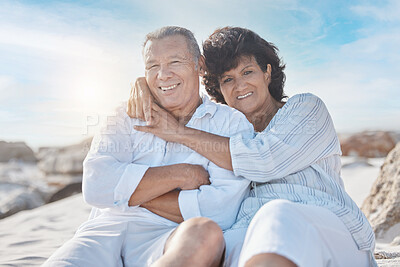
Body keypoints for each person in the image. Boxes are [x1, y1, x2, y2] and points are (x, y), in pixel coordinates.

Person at [129, 27, 377, 267]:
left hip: (327, 229)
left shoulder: (306, 109)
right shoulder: (218, 130)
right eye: (228, 79)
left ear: (267, 73)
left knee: (277, 215)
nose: (239, 86)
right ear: (220, 90)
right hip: (246, 233)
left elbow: (264, 159)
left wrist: (178, 133)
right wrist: (144, 84)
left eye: (247, 72)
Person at [43, 26, 254, 267]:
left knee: (205, 232)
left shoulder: (230, 122)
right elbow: (95, 186)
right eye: (153, 66)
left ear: (200, 65)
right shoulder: (124, 115)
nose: (163, 75)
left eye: (175, 61)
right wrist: (181, 174)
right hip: (105, 230)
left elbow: (219, 211)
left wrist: (125, 194)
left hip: (168, 235)